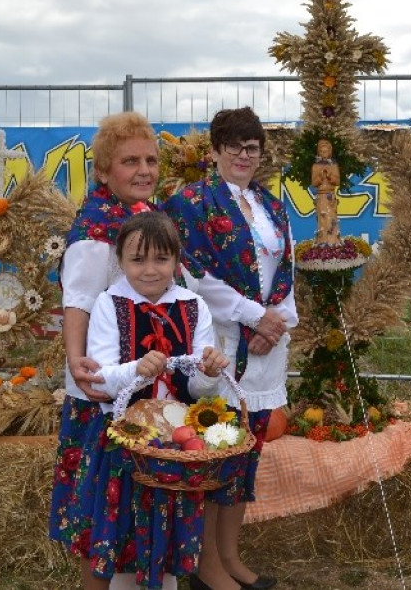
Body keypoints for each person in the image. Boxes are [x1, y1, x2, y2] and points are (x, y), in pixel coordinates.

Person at [163, 106, 296, 590]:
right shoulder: (191, 202)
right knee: (214, 450)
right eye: (234, 146)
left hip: (265, 348)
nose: (244, 155)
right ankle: (205, 565)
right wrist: (253, 316)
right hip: (216, 341)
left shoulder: (271, 204)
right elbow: (195, 274)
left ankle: (231, 557)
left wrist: (277, 323)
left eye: (252, 147)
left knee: (246, 454)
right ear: (216, 150)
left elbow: (286, 269)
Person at [48, 111, 179, 589]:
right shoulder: (96, 231)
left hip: (145, 380)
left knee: (131, 503)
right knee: (100, 509)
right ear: (104, 171)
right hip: (104, 388)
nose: (144, 170)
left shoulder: (144, 217)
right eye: (129, 161)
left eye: (150, 159)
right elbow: (77, 302)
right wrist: (79, 367)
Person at [81, 211, 228, 589]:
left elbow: (197, 391)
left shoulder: (193, 306)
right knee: (121, 529)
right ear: (121, 261)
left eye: (161, 259)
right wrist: (137, 371)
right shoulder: (109, 304)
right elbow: (102, 377)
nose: (150, 270)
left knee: (168, 528)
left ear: (177, 261)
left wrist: (208, 374)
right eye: (137, 259)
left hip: (176, 441)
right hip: (125, 440)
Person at [311, 138, 342, 245]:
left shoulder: (333, 165)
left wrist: (329, 175)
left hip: (331, 195)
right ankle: (322, 242)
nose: (324, 154)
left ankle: (333, 242)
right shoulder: (315, 166)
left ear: (330, 152)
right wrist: (320, 176)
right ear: (319, 152)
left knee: (332, 219)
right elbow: (314, 183)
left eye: (326, 151)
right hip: (321, 196)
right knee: (322, 219)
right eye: (322, 152)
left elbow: (337, 181)